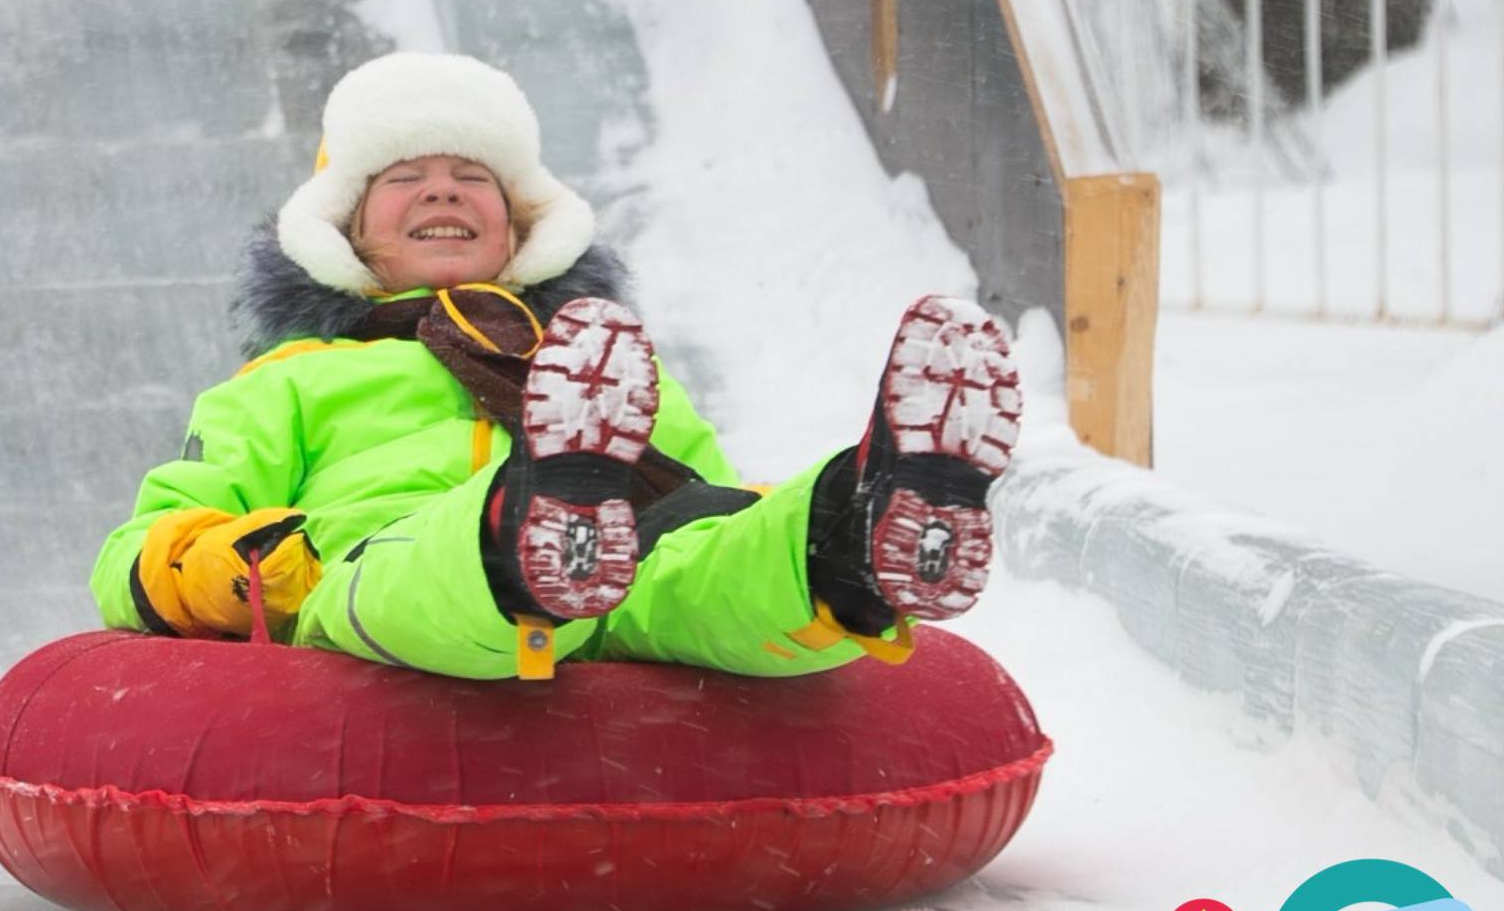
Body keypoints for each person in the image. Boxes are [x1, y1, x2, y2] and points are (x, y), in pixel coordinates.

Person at [90, 51, 1022, 681]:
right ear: (347, 233)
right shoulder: (291, 378)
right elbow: (146, 546)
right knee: (411, 572)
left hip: (620, 569)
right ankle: (524, 536)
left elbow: (700, 495)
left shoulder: (589, 364)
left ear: (522, 228)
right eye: (404, 178)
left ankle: (856, 536)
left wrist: (761, 518)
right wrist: (249, 565)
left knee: (705, 561)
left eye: (475, 179)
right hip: (375, 571)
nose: (444, 188)